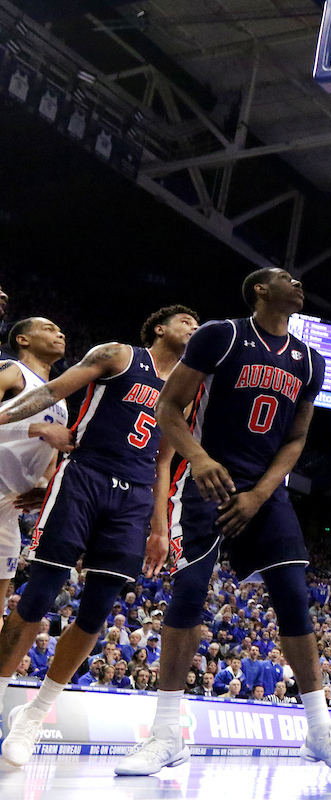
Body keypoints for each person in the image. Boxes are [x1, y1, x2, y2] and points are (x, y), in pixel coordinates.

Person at [117, 268, 331, 775]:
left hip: (265, 492)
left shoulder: (310, 360)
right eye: (287, 277)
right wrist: (199, 459)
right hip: (210, 480)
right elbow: (168, 405)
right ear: (260, 289)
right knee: (189, 593)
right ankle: (166, 735)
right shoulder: (221, 335)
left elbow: (296, 438)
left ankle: (320, 732)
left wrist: (260, 494)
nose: (299, 283)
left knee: (293, 598)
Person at [0, 306, 199, 766]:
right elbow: (51, 391)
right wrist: (9, 418)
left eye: (197, 323)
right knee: (40, 594)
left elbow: (164, 462)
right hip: (86, 476)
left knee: (95, 613)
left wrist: (160, 527)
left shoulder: (184, 392)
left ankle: (33, 716)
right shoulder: (119, 355)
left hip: (134, 498)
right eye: (185, 321)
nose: (194, 327)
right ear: (159, 328)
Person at [0, 317, 72, 602]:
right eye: (49, 329)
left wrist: (46, 490)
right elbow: (41, 433)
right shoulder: (11, 370)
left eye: (60, 330)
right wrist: (36, 428)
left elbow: (49, 462)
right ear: (23, 339)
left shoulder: (60, 399)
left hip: (10, 510)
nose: (60, 334)